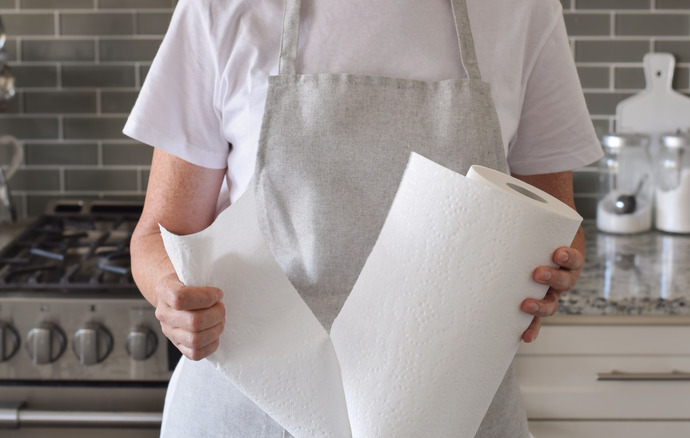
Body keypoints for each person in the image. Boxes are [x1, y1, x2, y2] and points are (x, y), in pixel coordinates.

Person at [124, 0, 603, 436]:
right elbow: (158, 234)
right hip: (250, 406)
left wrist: (553, 269)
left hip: (452, 406)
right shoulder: (221, 9)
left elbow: (559, 223)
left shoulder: (521, 11)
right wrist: (173, 295)